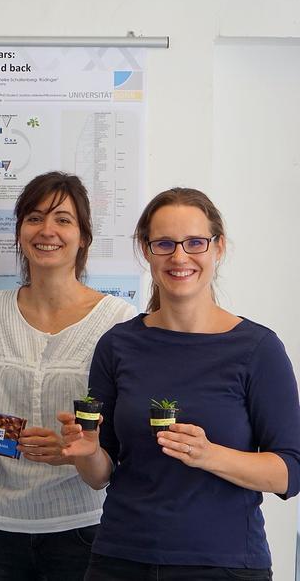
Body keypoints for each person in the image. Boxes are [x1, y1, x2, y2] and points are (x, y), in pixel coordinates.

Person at [60, 187, 300, 580]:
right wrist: (87, 452)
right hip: (121, 559)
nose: (179, 256)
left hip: (224, 564)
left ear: (218, 248)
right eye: (165, 243)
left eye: (195, 243)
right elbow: (100, 474)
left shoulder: (258, 348)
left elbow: (290, 472)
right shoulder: (117, 345)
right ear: (146, 250)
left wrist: (209, 455)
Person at [0, 171, 136, 580]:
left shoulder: (118, 321)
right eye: (34, 218)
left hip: (81, 528)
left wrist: (76, 450)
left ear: (83, 236)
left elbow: (123, 441)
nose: (47, 230)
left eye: (63, 219)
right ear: (19, 232)